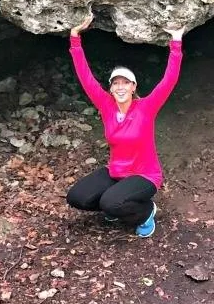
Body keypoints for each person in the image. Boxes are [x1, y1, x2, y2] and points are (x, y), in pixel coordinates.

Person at [65, 13, 184, 238]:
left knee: (110, 203)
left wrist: (176, 43)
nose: (120, 87)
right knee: (76, 197)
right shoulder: (106, 105)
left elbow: (169, 80)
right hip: (116, 172)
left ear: (133, 87)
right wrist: (75, 38)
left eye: (125, 83)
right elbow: (85, 77)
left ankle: (146, 211)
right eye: (115, 83)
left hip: (145, 175)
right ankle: (116, 204)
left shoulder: (146, 107)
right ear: (111, 88)